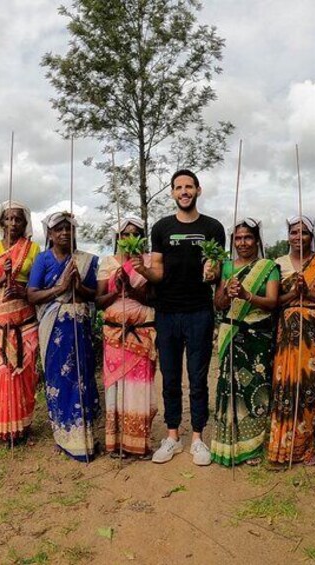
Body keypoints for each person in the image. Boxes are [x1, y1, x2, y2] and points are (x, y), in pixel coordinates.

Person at [130, 169, 225, 466]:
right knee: (170, 377)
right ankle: (172, 436)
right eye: (178, 187)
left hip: (199, 311)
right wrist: (144, 271)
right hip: (167, 312)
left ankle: (197, 438)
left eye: (189, 186)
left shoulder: (213, 227)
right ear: (172, 192)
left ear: (198, 190)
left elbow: (216, 269)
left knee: (198, 378)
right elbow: (157, 270)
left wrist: (212, 273)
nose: (184, 191)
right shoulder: (161, 227)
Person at [267, 215, 315, 467]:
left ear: (312, 236)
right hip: (288, 336)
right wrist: (293, 294)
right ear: (287, 236)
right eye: (293, 232)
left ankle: (304, 447)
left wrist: (309, 293)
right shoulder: (277, 265)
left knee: (308, 389)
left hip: (314, 338)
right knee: (286, 386)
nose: (298, 237)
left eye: (304, 233)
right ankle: (281, 448)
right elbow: (274, 302)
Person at [27, 212, 99, 461]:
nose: (65, 233)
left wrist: (77, 286)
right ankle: (63, 437)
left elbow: (95, 295)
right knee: (59, 381)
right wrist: (60, 287)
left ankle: (85, 438)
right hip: (54, 327)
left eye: (69, 229)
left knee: (82, 378)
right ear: (49, 233)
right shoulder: (43, 260)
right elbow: (32, 295)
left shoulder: (86, 260)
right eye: (58, 229)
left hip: (79, 327)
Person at [211, 218, 279, 466]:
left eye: (248, 237)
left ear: (257, 240)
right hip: (231, 333)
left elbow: (273, 302)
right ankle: (228, 442)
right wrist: (226, 292)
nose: (243, 243)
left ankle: (251, 446)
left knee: (255, 390)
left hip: (258, 337)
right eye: (238, 238)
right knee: (230, 389)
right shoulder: (226, 267)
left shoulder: (268, 267)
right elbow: (218, 305)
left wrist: (247, 295)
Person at [96, 217, 157, 458]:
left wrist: (132, 290)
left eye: (134, 233)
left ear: (142, 237)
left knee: (139, 388)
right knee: (116, 388)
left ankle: (138, 443)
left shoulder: (150, 262)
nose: (129, 238)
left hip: (142, 333)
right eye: (124, 234)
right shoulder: (107, 263)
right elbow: (99, 302)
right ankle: (116, 442)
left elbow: (155, 298)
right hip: (114, 334)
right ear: (117, 238)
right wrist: (115, 291)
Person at [0, 200, 41, 444]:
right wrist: (2, 278)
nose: (13, 223)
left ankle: (23, 426)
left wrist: (19, 287)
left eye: (18, 219)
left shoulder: (33, 249)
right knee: (2, 373)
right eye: (9, 218)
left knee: (25, 371)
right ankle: (4, 430)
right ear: (1, 222)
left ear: (25, 223)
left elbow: (39, 286)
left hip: (25, 318)